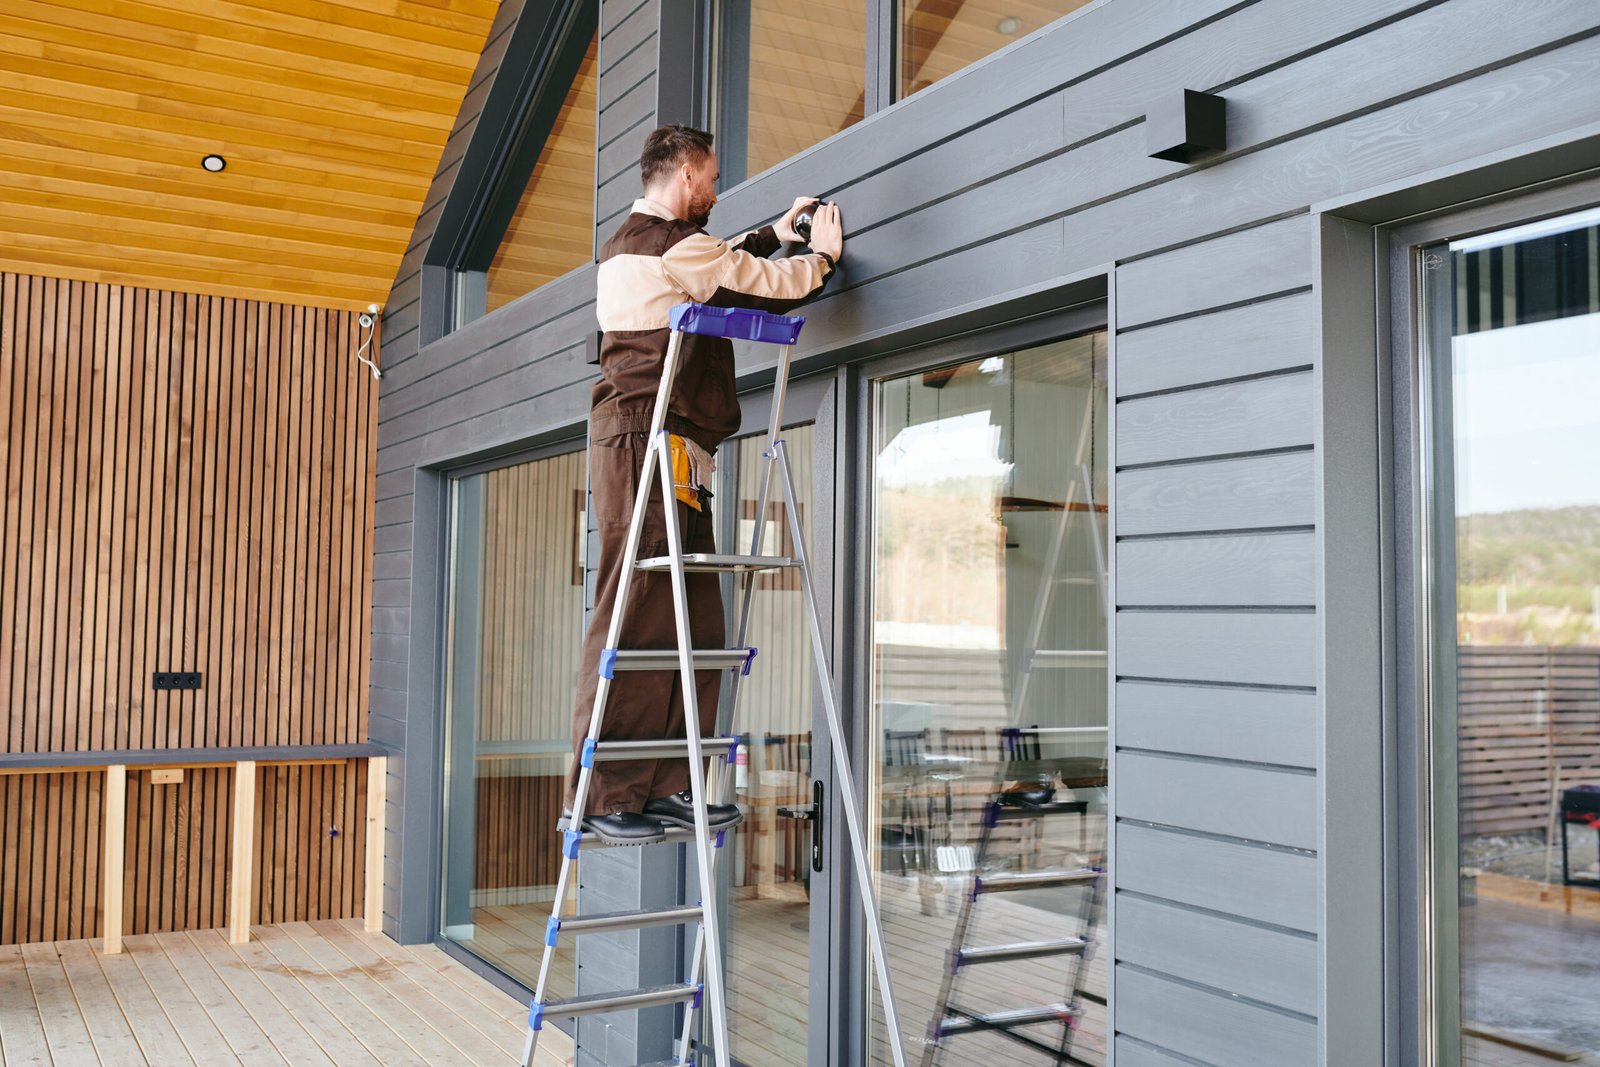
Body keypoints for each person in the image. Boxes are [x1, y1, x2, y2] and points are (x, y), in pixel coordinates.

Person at [568, 124, 844, 844]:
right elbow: (763, 289)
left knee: (691, 620)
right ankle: (603, 795)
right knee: (638, 615)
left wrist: (769, 233)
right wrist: (820, 259)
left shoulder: (647, 245)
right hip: (643, 441)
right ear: (687, 175)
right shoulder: (658, 243)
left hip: (675, 450)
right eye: (713, 178)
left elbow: (713, 266)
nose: (716, 191)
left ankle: (666, 784)